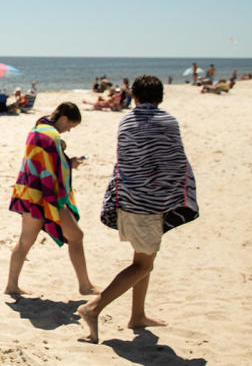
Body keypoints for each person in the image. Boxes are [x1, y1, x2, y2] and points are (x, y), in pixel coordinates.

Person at [78, 76, 198, 343]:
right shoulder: (168, 121)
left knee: (144, 260)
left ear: (133, 97)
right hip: (150, 204)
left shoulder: (126, 121)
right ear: (161, 97)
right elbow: (175, 162)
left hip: (128, 199)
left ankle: (138, 315)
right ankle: (93, 308)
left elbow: (129, 162)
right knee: (142, 265)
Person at [6, 102, 98, 296]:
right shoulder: (52, 136)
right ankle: (85, 286)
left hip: (28, 192)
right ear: (63, 118)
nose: (68, 131)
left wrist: (63, 156)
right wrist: (69, 163)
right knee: (77, 236)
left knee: (24, 242)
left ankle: (11, 285)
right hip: (45, 196)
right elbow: (52, 172)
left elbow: (46, 161)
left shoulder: (38, 127)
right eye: (70, 126)